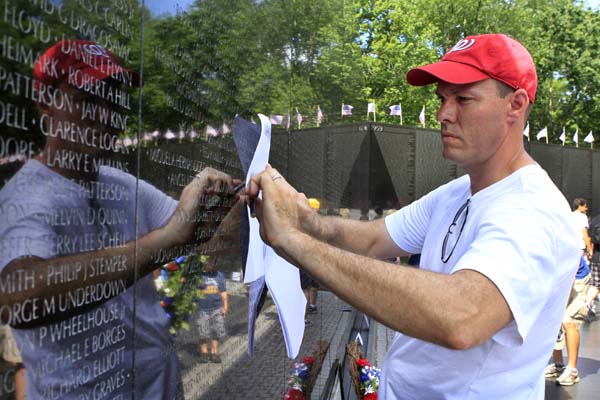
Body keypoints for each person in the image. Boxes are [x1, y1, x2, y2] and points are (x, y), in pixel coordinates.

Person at [246, 34, 580, 399]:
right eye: (442, 99)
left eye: (463, 99)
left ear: (515, 105)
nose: (443, 114)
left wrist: (295, 242)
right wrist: (306, 221)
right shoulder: (458, 191)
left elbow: (462, 317)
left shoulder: (533, 209)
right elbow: (374, 239)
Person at [0, 40, 241, 399]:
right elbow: (17, 298)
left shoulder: (121, 184)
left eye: (114, 100)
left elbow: (211, 238)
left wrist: (235, 201)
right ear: (45, 105)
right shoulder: (25, 195)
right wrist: (166, 241)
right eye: (87, 100)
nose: (105, 113)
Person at [196, 256, 228, 364]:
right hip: (203, 309)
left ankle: (214, 352)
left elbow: (223, 292)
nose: (210, 266)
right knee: (203, 331)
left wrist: (225, 306)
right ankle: (204, 352)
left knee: (216, 330)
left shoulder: (219, 276)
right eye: (208, 264)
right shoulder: (199, 276)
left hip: (217, 308)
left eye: (212, 264)